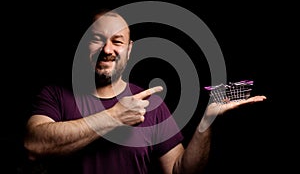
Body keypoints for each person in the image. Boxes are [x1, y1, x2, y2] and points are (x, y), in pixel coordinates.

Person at [23, 9, 267, 174]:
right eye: (97, 39)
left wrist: (207, 122)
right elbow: (34, 146)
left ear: (129, 50)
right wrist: (115, 117)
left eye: (117, 41)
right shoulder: (54, 95)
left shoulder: (152, 104)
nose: (107, 49)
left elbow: (178, 170)